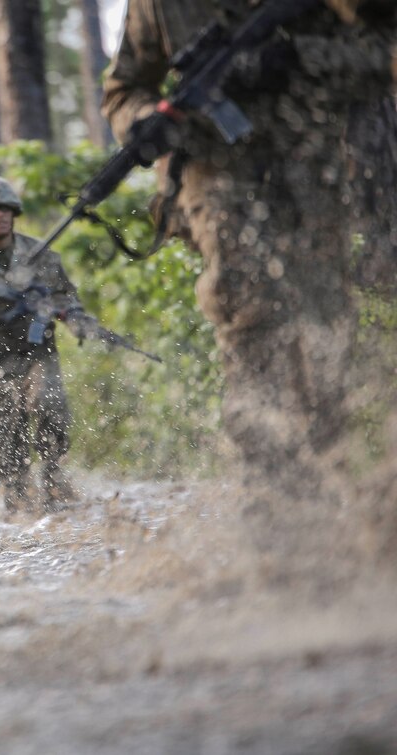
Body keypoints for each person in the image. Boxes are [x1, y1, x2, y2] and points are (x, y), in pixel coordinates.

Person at [102, 0, 396, 490]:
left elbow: (383, 53)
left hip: (309, 158)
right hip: (213, 170)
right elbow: (124, 88)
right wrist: (145, 119)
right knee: (243, 303)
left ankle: (334, 461)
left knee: (323, 313)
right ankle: (269, 477)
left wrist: (294, 57)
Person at [0, 177, 102, 513]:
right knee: (0, 427)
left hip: (38, 351)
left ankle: (54, 477)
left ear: (14, 213)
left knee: (49, 403)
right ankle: (16, 491)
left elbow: (65, 296)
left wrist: (75, 319)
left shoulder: (40, 254)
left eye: (5, 209)